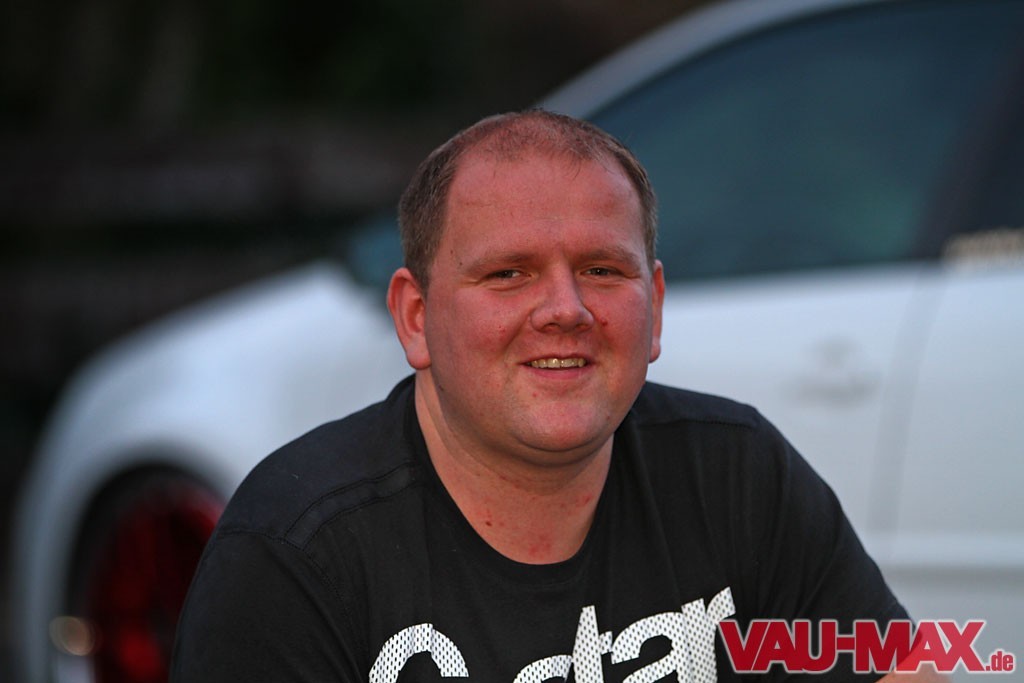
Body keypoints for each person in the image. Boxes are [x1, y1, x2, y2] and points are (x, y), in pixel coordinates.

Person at [171, 110, 942, 682]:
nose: (566, 309)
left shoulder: (739, 475)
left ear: (655, 306)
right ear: (415, 317)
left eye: (603, 270)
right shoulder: (295, 553)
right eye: (508, 273)